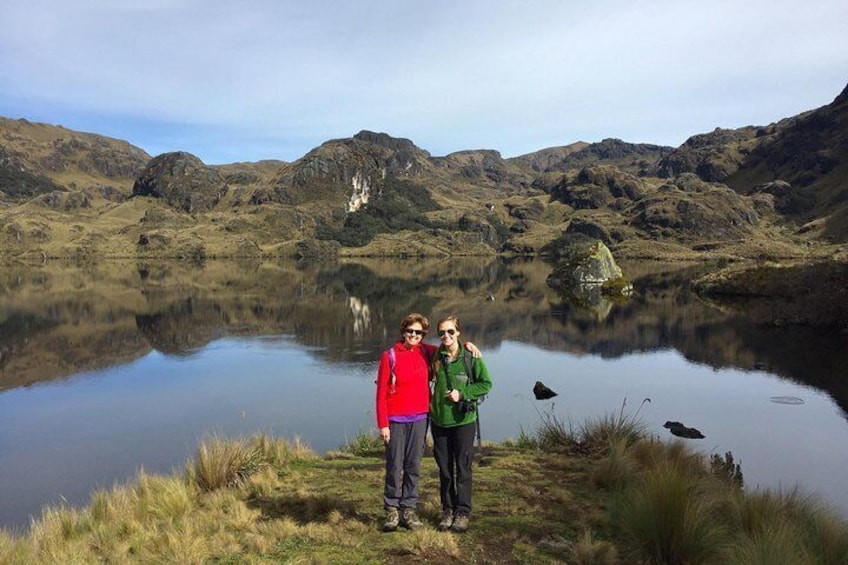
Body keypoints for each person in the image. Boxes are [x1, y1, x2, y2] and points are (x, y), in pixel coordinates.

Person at [375, 313, 479, 532]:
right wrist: (383, 424)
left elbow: (451, 348)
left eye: (419, 332)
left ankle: (408, 509)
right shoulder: (390, 356)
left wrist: (469, 345)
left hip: (421, 417)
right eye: (410, 331)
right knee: (395, 465)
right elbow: (381, 393)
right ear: (403, 332)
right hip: (395, 419)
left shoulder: (427, 352)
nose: (414, 335)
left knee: (413, 466)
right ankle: (392, 510)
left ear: (423, 335)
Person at [429, 315, 493, 533]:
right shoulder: (436, 356)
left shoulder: (470, 357)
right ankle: (448, 510)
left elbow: (486, 384)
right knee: (445, 469)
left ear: (458, 332)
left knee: (463, 469)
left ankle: (463, 512)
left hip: (464, 422)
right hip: (439, 422)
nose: (445, 336)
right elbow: (412, 356)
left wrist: (462, 393)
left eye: (450, 332)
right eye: (441, 333)